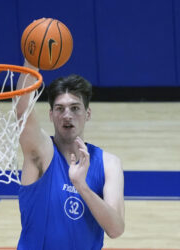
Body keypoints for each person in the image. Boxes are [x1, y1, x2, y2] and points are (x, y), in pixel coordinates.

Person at [16, 60, 125, 250]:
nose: (67, 115)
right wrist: (32, 61)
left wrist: (82, 186)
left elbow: (116, 229)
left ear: (87, 114)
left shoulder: (109, 164)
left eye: (75, 108)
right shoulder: (41, 153)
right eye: (60, 109)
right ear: (51, 115)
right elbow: (22, 111)